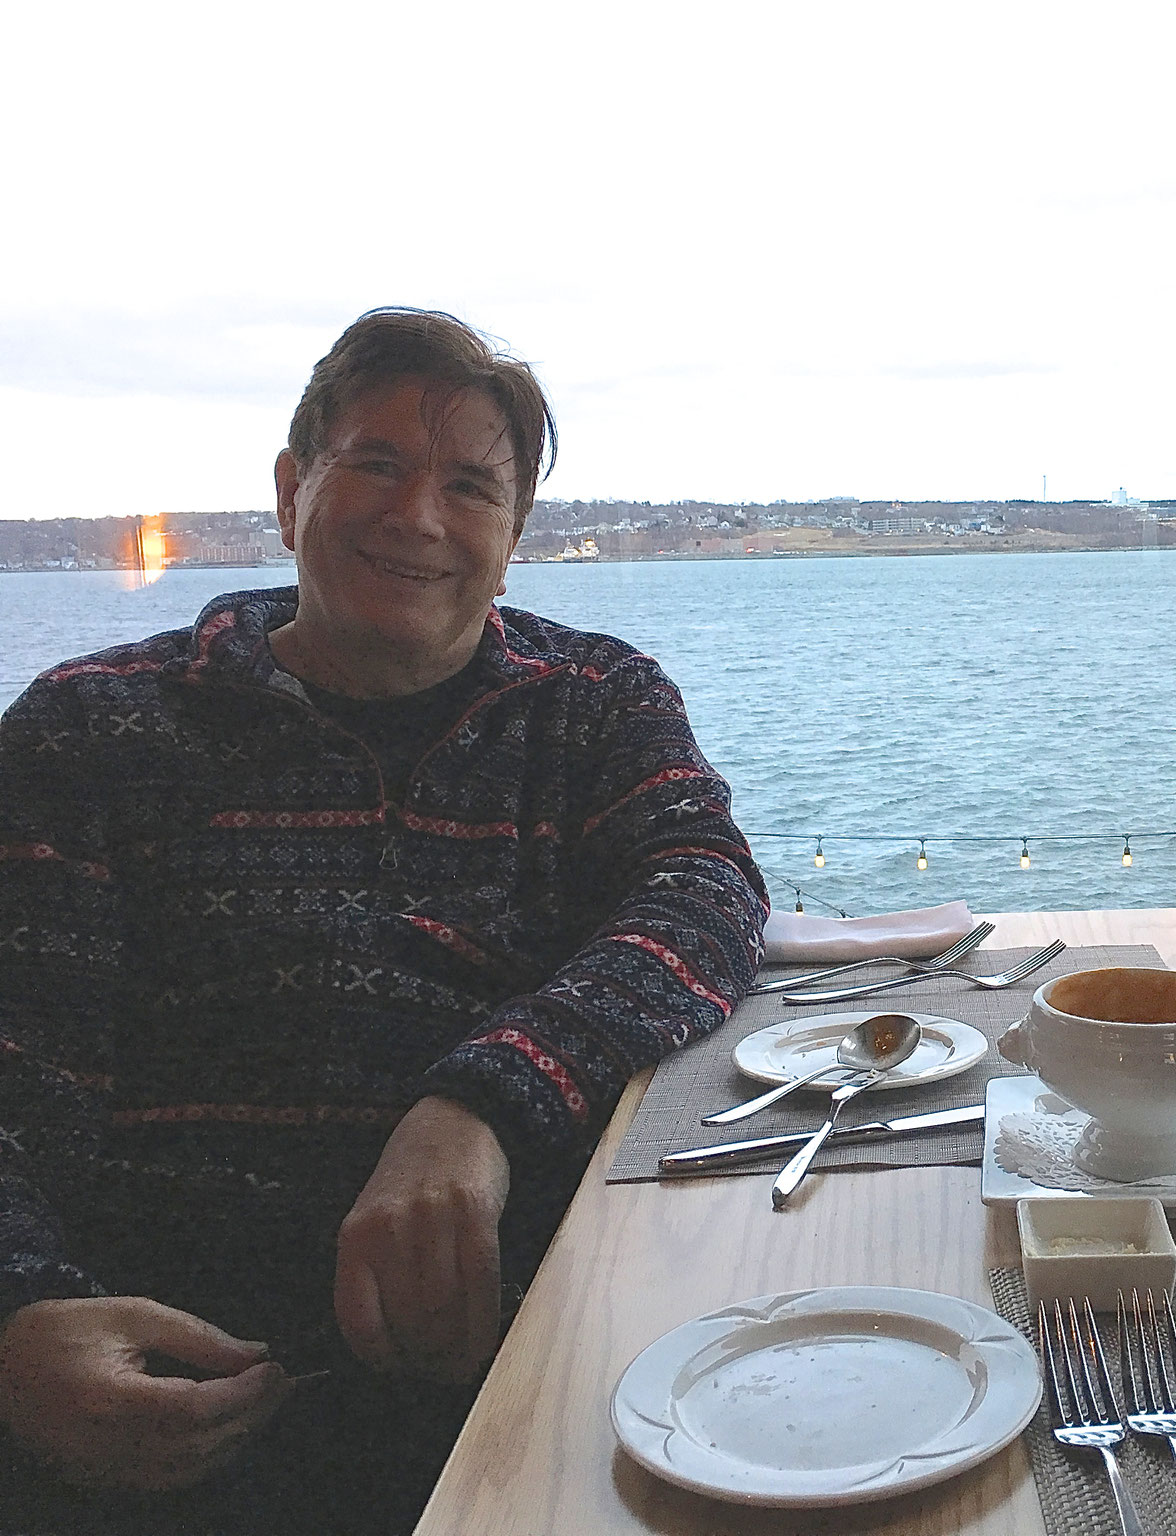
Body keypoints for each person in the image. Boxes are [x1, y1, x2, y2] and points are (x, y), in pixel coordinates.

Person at [0, 310, 767, 1532]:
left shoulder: (592, 704)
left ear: (512, 541)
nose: (417, 517)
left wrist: (479, 1104)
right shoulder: (92, 732)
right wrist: (19, 1317)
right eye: (376, 464)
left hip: (532, 1362)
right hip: (157, 1395)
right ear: (291, 489)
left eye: (470, 485)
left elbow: (704, 892)